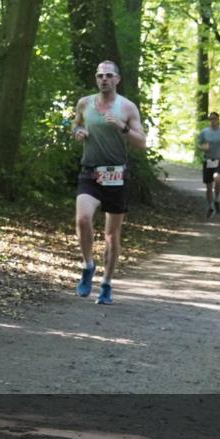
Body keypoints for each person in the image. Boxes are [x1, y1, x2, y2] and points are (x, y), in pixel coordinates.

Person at [71, 60, 145, 305]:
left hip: (116, 176)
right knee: (82, 219)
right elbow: (76, 124)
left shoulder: (127, 107)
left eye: (109, 75)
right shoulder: (85, 103)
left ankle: (106, 284)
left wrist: (123, 127)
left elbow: (141, 143)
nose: (104, 79)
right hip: (90, 172)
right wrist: (78, 133)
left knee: (112, 235)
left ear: (117, 79)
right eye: (100, 75)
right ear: (96, 78)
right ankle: (87, 265)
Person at [197, 112, 220, 218]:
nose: (213, 121)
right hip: (208, 160)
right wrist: (203, 148)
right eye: (211, 119)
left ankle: (216, 199)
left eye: (215, 119)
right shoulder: (204, 132)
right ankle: (210, 206)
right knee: (208, 186)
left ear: (218, 120)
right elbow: (199, 144)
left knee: (217, 178)